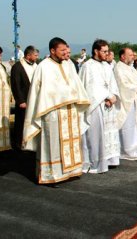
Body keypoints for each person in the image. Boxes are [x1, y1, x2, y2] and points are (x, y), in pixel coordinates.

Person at [23, 37, 90, 184]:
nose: (66, 52)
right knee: (53, 143)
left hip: (70, 110)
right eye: (62, 50)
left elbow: (76, 85)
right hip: (52, 112)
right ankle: (52, 174)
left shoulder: (69, 65)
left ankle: (72, 171)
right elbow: (37, 92)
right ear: (52, 51)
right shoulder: (43, 67)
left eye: (67, 49)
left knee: (71, 142)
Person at [79, 39, 121, 174]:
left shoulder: (107, 66)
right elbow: (91, 88)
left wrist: (113, 96)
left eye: (107, 51)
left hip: (108, 105)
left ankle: (110, 160)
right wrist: (107, 96)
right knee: (95, 135)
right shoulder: (87, 66)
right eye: (104, 51)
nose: (107, 53)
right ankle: (94, 162)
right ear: (96, 51)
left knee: (109, 133)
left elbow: (112, 83)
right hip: (96, 105)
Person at [114, 47, 137, 160]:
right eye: (130, 55)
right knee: (128, 126)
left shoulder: (131, 68)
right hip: (127, 102)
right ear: (122, 56)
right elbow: (122, 85)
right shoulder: (119, 68)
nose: (133, 57)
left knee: (136, 126)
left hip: (136, 100)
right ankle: (128, 150)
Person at [10, 45, 39, 150]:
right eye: (35, 55)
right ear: (28, 55)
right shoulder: (17, 67)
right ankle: (19, 144)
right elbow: (15, 85)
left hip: (34, 100)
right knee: (21, 122)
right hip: (24, 101)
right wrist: (20, 100)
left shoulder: (36, 65)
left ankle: (31, 143)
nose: (36, 57)